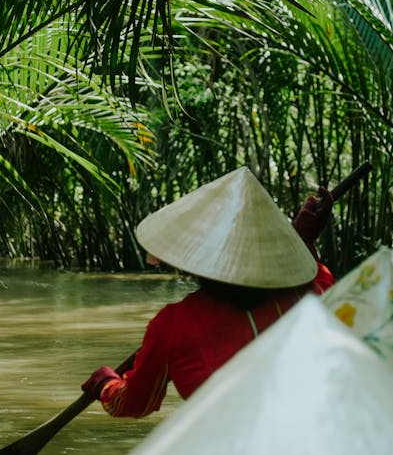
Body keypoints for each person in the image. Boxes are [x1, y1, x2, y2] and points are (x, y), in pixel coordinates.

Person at [81, 167, 337, 418]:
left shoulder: (173, 326)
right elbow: (318, 279)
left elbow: (134, 403)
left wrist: (106, 385)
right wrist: (303, 241)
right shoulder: (311, 294)